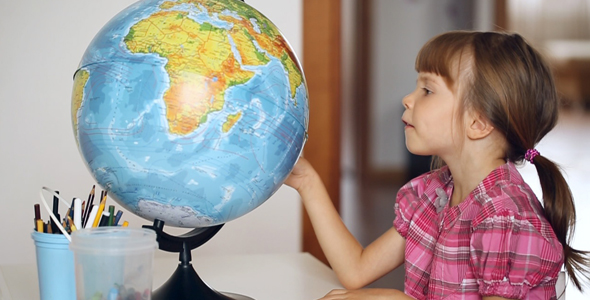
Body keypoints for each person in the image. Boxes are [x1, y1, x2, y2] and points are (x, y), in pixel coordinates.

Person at [285, 31, 590, 300]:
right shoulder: (433, 194)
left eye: (427, 90)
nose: (407, 98)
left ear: (478, 122)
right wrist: (307, 182)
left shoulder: (507, 218)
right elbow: (356, 270)